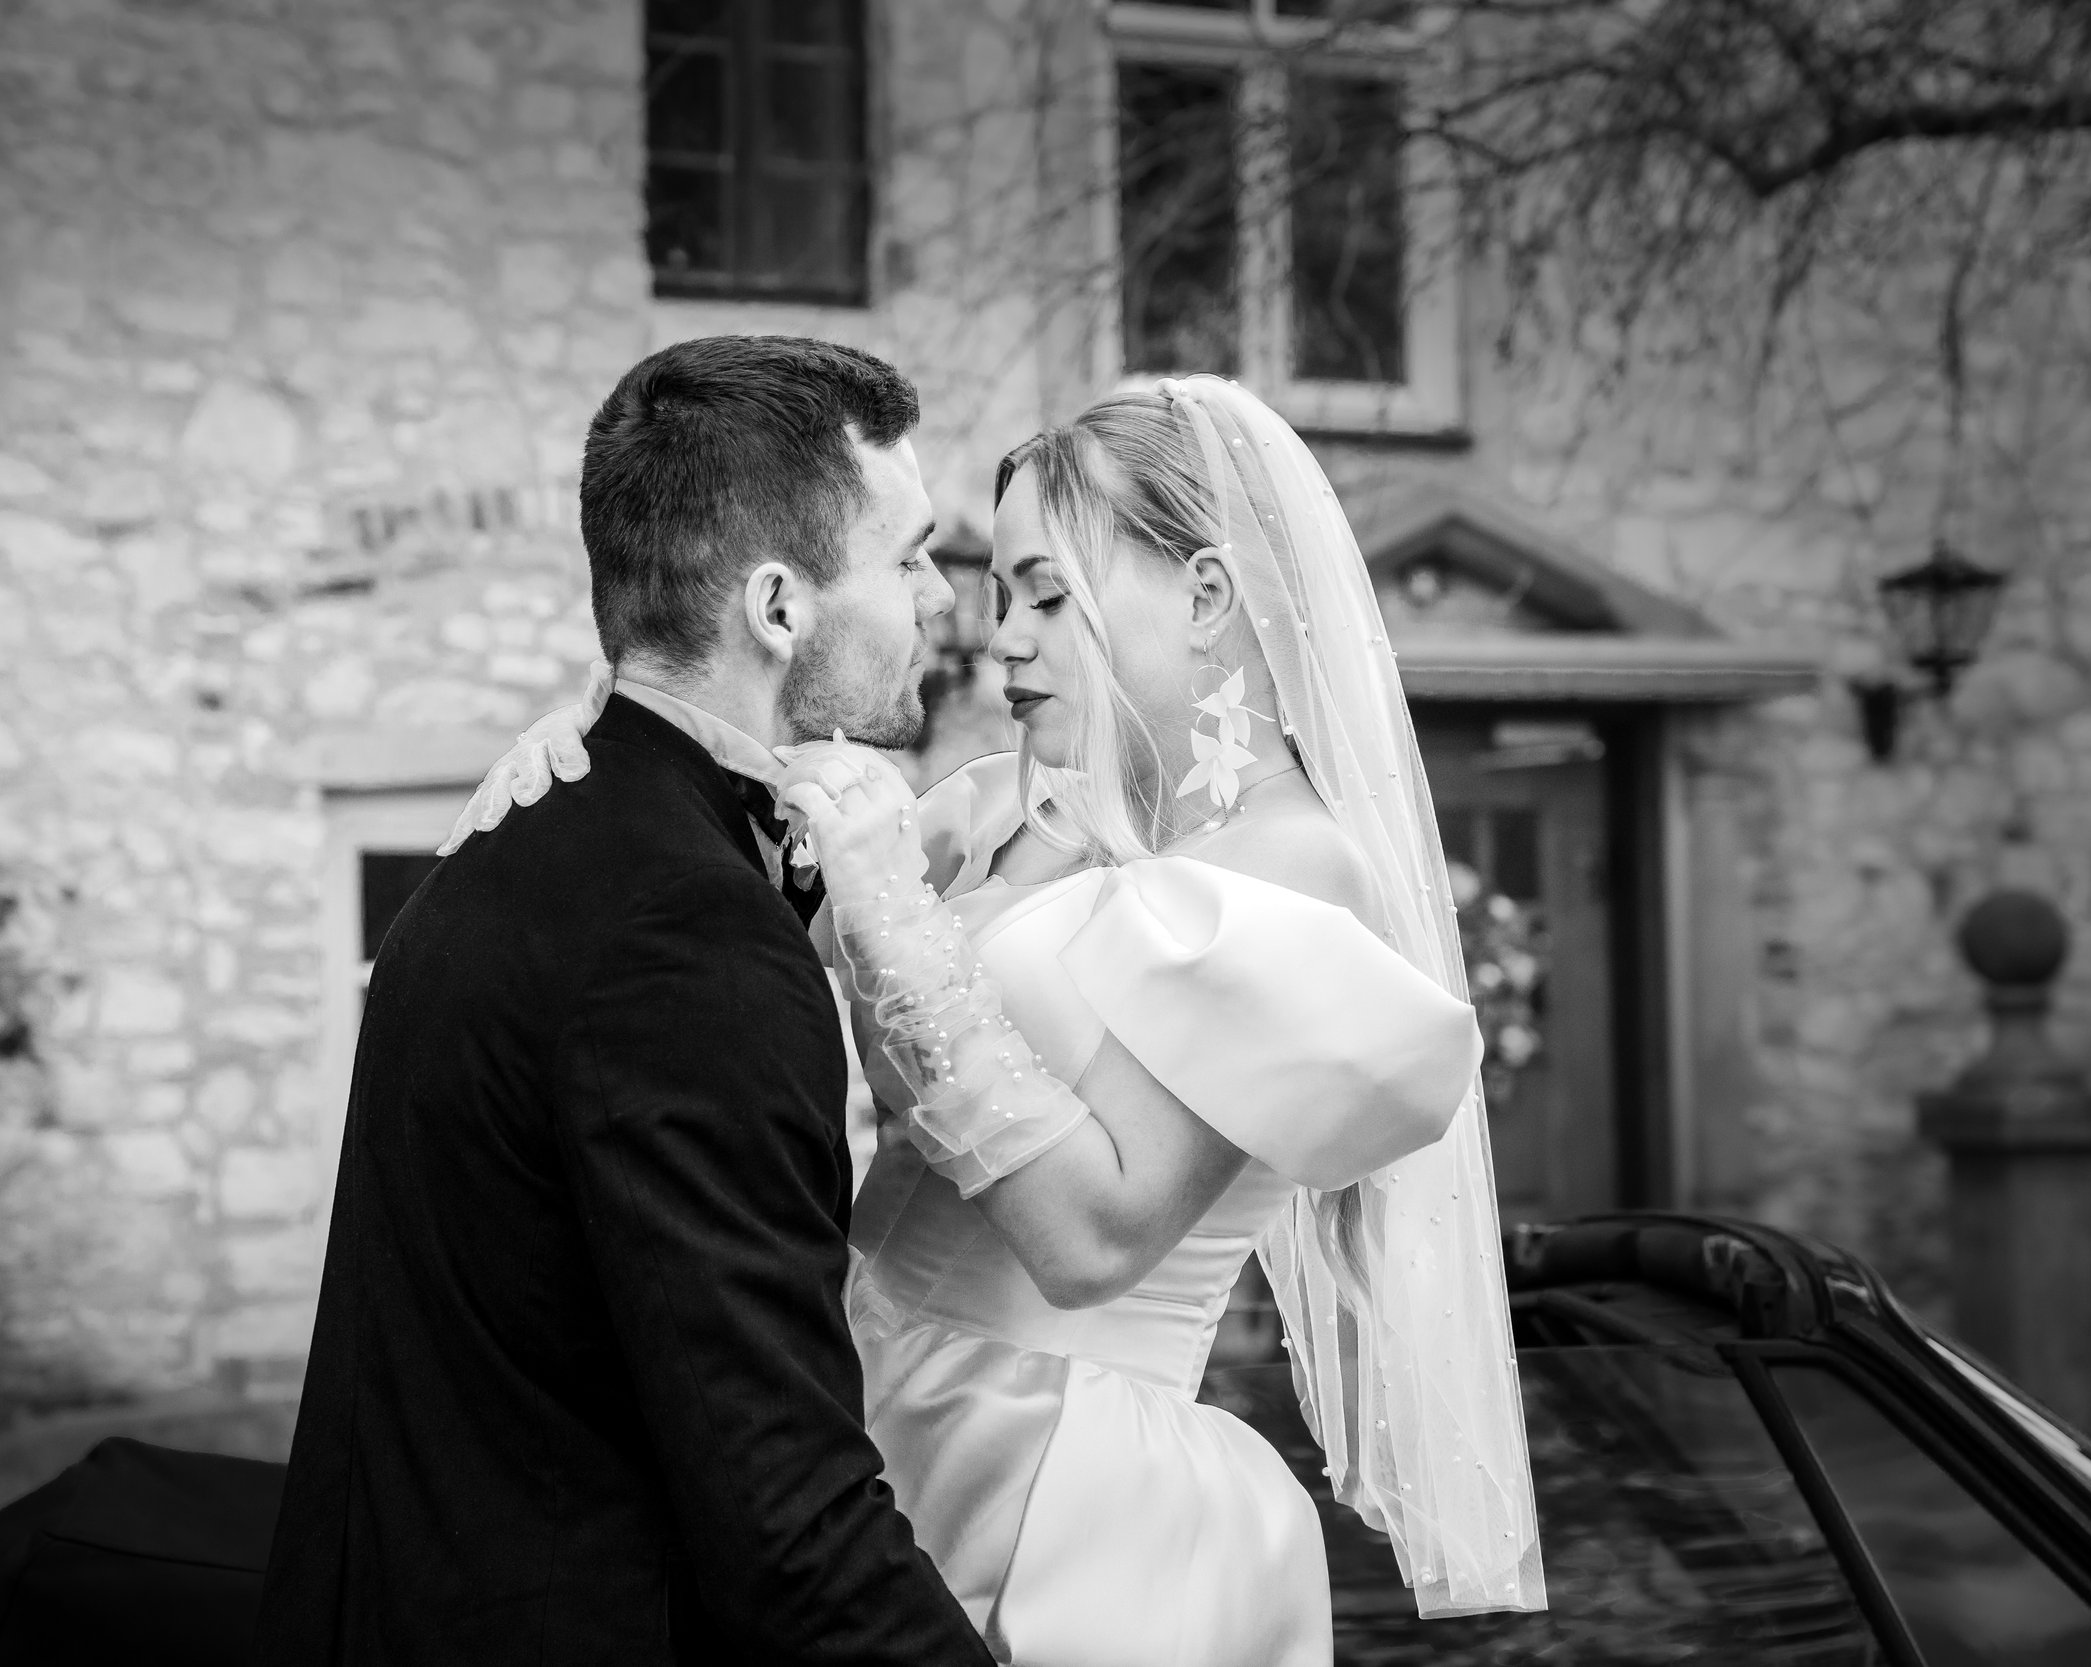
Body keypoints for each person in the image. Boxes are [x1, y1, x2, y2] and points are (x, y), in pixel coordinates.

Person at [449, 375, 1545, 1664]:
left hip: (1053, 1476)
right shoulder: (1000, 809)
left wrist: (893, 913)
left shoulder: (1298, 873)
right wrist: (605, 752)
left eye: (1045, 593)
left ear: (1204, 599)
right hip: (847, 1406)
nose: (999, 636)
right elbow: (725, 960)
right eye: (1000, 593)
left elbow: (1093, 1239)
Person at [256, 336, 997, 1666]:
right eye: (908, 557)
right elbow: (784, 1517)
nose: (941, 596)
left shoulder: (524, 842)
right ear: (778, 607)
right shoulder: (684, 937)